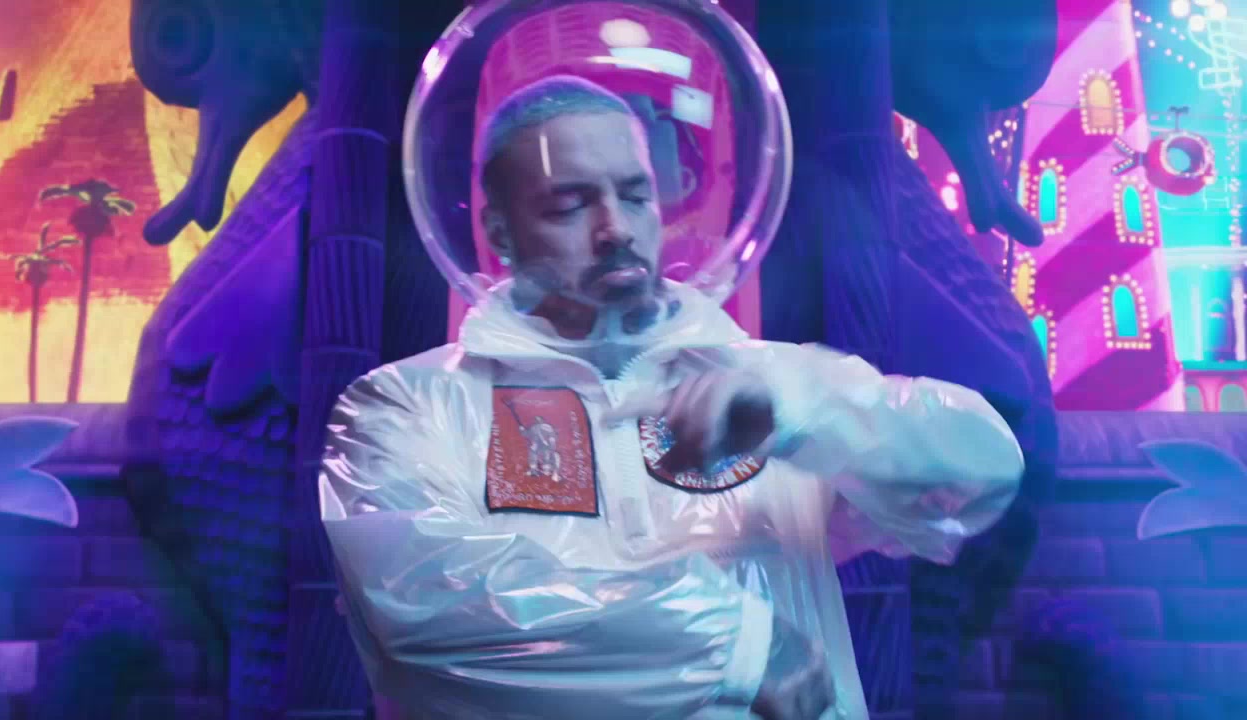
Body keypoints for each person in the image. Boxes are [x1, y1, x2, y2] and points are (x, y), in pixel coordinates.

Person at [319, 75, 1024, 720]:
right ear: (499, 231)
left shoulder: (765, 387)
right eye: (570, 205)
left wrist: (802, 416)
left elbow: (979, 474)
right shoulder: (411, 405)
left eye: (634, 195)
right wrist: (736, 645)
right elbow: (415, 607)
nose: (616, 229)